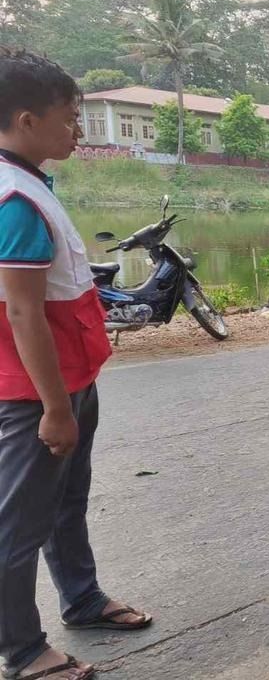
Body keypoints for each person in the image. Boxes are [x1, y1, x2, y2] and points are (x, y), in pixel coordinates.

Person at [0, 49, 151, 680]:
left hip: (69, 379)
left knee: (66, 502)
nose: (77, 131)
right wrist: (56, 409)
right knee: (19, 521)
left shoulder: (29, 181)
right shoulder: (16, 201)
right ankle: (23, 649)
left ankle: (82, 599)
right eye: (68, 119)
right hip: (38, 391)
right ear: (27, 119)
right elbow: (22, 313)